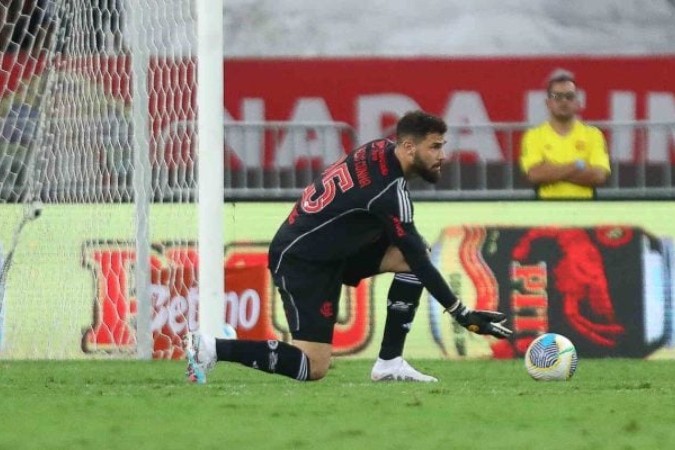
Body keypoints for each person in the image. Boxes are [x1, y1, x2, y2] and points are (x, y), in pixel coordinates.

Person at [184, 110, 512, 384]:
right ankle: (211, 348)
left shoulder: (381, 149)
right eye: (435, 147)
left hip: (333, 250)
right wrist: (462, 314)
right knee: (313, 367)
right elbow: (417, 257)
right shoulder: (388, 191)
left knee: (411, 257)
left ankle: (389, 363)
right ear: (409, 148)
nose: (443, 156)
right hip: (302, 262)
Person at [520, 69, 611, 199]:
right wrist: (577, 165)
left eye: (569, 96)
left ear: (577, 103)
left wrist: (552, 171)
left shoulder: (593, 135)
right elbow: (535, 174)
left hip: (585, 208)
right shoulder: (534, 135)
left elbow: (598, 175)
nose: (564, 101)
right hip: (546, 208)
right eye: (557, 97)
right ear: (548, 103)